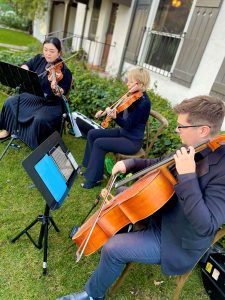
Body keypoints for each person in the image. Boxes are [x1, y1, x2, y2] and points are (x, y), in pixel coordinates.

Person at [57, 95, 225, 300]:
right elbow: (159, 163)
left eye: (181, 126)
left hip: (174, 238)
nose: (176, 130)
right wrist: (130, 165)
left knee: (113, 249)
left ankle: (92, 295)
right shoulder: (192, 146)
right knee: (123, 195)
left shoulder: (222, 172)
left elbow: (206, 226)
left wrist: (188, 176)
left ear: (203, 130)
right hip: (158, 211)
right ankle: (101, 233)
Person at [80, 67, 151, 189]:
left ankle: (93, 179)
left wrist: (115, 117)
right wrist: (104, 112)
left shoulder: (144, 103)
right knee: (92, 134)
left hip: (132, 141)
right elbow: (118, 108)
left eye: (130, 81)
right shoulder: (132, 95)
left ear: (139, 83)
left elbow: (127, 125)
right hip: (123, 133)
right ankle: (90, 169)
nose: (127, 83)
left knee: (99, 143)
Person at [0, 36, 72, 149]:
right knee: (10, 102)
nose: (48, 53)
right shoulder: (39, 59)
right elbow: (26, 64)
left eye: (52, 51)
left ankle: (35, 143)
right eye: (45, 49)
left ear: (59, 53)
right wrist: (25, 70)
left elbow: (62, 92)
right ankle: (7, 130)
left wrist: (56, 89)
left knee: (40, 119)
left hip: (51, 104)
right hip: (34, 97)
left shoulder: (65, 72)